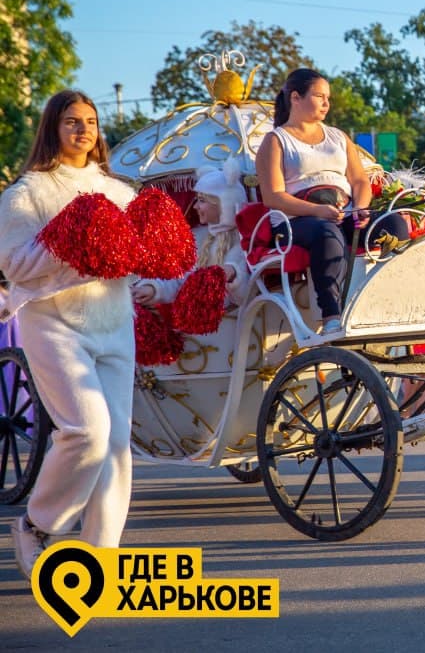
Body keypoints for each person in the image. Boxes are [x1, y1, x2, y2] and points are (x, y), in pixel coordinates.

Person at [0, 91, 139, 577]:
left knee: (118, 443)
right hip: (54, 325)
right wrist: (73, 241)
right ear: (52, 128)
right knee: (88, 433)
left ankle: (101, 560)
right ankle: (38, 525)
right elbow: (13, 263)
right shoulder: (27, 192)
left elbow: (143, 263)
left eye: (91, 122)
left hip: (116, 323)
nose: (84, 131)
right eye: (72, 122)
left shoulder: (121, 192)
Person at [255, 68, 409, 336]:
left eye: (328, 97)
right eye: (319, 96)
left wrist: (360, 207)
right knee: (326, 233)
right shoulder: (276, 140)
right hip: (296, 222)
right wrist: (318, 211)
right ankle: (331, 315)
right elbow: (273, 196)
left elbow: (360, 181)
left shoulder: (338, 136)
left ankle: (390, 302)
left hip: (343, 213)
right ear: (296, 97)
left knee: (393, 224)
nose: (327, 103)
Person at [130, 164, 251, 311]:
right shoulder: (198, 237)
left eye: (202, 200)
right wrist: (153, 289)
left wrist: (232, 273)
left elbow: (245, 293)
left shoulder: (244, 240)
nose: (195, 207)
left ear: (224, 203)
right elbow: (181, 279)